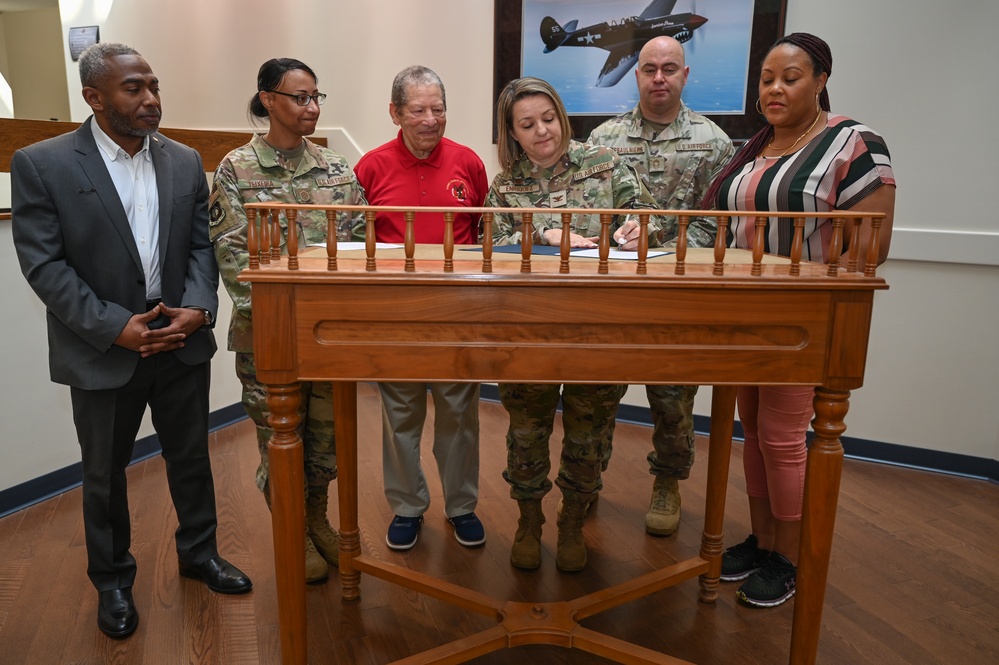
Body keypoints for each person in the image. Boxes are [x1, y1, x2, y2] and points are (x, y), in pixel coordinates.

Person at [11, 42, 252, 640]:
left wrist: (197, 309)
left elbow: (202, 247)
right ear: (94, 98)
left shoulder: (183, 161)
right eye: (134, 89)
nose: (151, 100)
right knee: (104, 472)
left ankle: (200, 555)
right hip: (102, 347)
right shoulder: (43, 164)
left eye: (154, 86)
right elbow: (44, 266)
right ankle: (113, 581)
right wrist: (113, 326)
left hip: (179, 340)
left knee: (192, 459)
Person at [701, 33, 896, 608]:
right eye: (766, 78)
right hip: (744, 314)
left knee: (785, 438)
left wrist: (801, 279)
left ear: (821, 81)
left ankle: (788, 555)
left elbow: (872, 242)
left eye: (791, 77)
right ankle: (763, 542)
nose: (775, 88)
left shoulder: (853, 143)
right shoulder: (753, 146)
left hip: (799, 317)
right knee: (754, 431)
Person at [488, 76, 663, 572]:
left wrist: (637, 229)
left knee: (589, 434)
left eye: (548, 118)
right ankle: (528, 520)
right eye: (527, 124)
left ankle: (571, 521)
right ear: (512, 134)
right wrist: (541, 233)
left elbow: (653, 217)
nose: (542, 131)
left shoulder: (604, 164)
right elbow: (491, 240)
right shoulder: (506, 186)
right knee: (526, 433)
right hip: (527, 334)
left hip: (599, 329)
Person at [209, 58, 366, 583]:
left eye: (317, 97)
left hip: (328, 337)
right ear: (268, 99)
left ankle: (315, 517)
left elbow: (360, 244)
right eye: (300, 97)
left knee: (325, 444)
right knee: (281, 439)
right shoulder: (237, 169)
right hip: (269, 338)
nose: (312, 107)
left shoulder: (337, 170)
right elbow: (233, 257)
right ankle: (292, 530)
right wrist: (286, 321)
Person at [587, 36, 735, 538]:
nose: (658, 78)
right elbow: (588, 213)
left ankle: (668, 484)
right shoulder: (603, 139)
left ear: (685, 75)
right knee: (597, 394)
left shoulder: (714, 142)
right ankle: (585, 483)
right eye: (649, 68)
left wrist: (662, 248)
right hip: (612, 296)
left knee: (673, 401)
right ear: (636, 75)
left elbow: (716, 224)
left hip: (676, 294)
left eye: (669, 68)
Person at [353, 66, 488, 551]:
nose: (431, 120)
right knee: (401, 413)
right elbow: (354, 242)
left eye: (439, 109)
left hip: (459, 314)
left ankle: (462, 505)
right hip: (398, 314)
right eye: (418, 110)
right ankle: (407, 506)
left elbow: (485, 236)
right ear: (395, 113)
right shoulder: (370, 168)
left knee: (460, 413)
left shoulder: (469, 163)